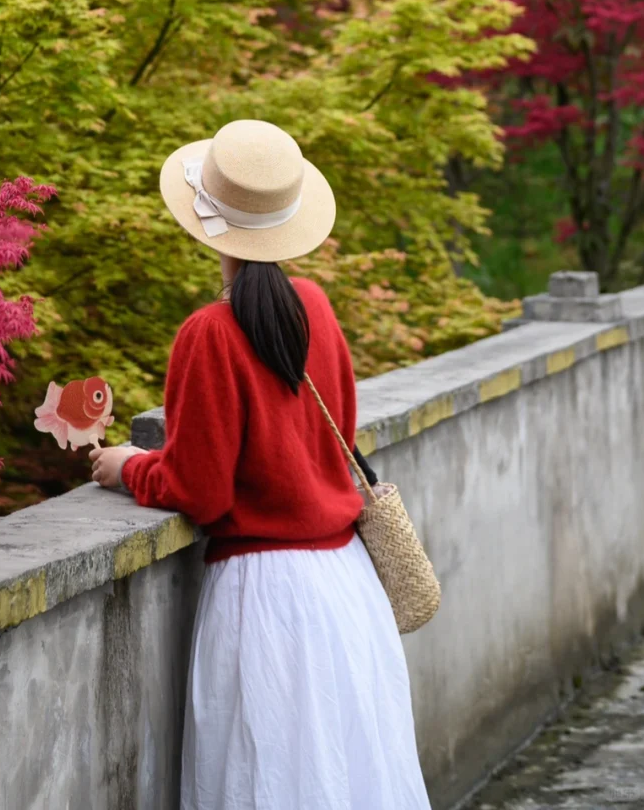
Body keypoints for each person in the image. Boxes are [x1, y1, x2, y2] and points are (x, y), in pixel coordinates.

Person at [90, 119, 431, 810]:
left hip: (263, 597)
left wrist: (127, 466)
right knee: (351, 776)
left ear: (205, 224)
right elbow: (321, 439)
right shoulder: (316, 307)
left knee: (265, 777)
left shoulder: (208, 333)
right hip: (346, 588)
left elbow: (201, 492)